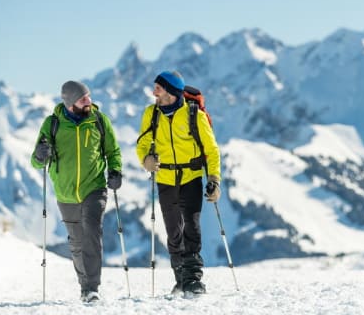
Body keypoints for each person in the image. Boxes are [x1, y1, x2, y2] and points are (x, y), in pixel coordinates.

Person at [31, 80, 122, 303]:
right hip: (65, 192)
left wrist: (116, 171)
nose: (89, 101)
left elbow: (113, 151)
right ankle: (84, 285)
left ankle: (92, 287)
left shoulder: (99, 121)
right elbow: (36, 162)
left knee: (92, 232)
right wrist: (40, 155)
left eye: (89, 96)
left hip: (95, 187)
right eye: (83, 99)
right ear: (71, 102)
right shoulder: (53, 124)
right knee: (77, 242)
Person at [136, 70, 221, 296]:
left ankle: (193, 280)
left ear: (171, 92)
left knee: (191, 227)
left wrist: (214, 179)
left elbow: (211, 151)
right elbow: (142, 144)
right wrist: (146, 160)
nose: (154, 92)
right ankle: (180, 278)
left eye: (158, 88)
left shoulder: (194, 115)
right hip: (165, 179)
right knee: (173, 231)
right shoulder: (151, 113)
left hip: (191, 177)